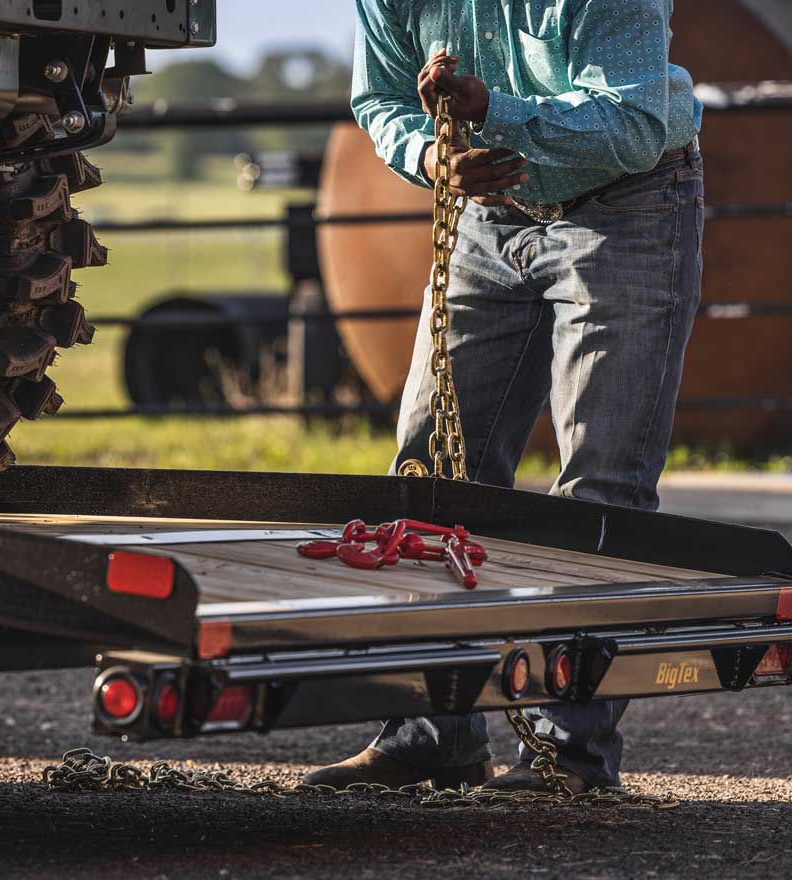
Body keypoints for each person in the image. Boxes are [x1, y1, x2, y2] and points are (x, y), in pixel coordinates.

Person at [304, 0, 705, 794]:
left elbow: (631, 122)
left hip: (626, 206)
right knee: (430, 467)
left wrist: (495, 112)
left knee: (602, 483)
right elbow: (378, 98)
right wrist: (428, 154)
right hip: (486, 214)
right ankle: (434, 733)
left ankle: (570, 752)